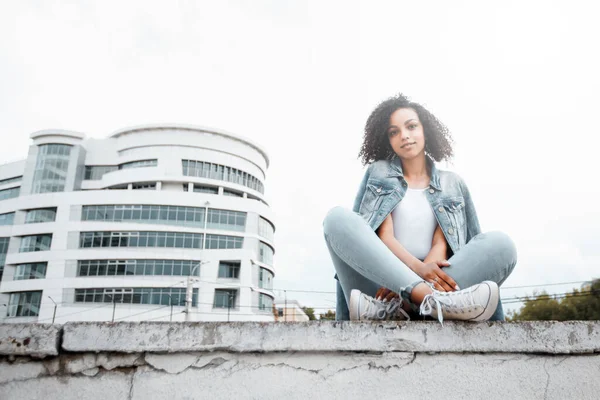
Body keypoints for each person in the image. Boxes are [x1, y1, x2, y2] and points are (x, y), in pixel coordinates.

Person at [323, 93, 517, 323]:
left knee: (501, 244)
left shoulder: (452, 183)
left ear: (426, 130)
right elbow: (382, 238)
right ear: (388, 140)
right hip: (382, 292)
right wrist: (410, 278)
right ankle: (424, 300)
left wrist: (427, 274)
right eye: (394, 132)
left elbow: (446, 245)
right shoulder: (380, 173)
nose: (404, 136)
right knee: (336, 219)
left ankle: (421, 302)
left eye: (411, 126)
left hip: (440, 283)